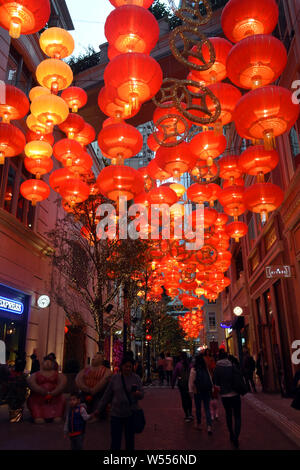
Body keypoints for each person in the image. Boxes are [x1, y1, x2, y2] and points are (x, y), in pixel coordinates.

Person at [96, 356, 144, 451]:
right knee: (115, 441)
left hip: (130, 413)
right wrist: (99, 409)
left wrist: (137, 394)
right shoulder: (115, 378)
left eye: (130, 367)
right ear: (122, 366)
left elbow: (142, 395)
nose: (128, 369)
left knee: (129, 441)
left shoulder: (136, 378)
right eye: (126, 366)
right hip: (116, 414)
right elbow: (107, 395)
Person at [213, 349, 243, 449]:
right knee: (237, 416)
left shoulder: (217, 368)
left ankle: (231, 434)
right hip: (235, 394)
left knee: (229, 415)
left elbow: (216, 384)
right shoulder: (232, 365)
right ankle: (236, 437)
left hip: (225, 396)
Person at [27, 355, 67, 424]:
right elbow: (31, 382)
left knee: (61, 400)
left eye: (50, 363)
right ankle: (38, 416)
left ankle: (57, 415)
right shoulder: (36, 374)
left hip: (55, 397)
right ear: (42, 364)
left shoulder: (58, 375)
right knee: (34, 402)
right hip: (39, 397)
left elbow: (62, 383)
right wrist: (39, 390)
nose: (48, 364)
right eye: (46, 362)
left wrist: (55, 391)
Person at [189, 354, 213, 434]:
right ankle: (209, 426)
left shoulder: (194, 369)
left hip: (197, 391)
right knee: (207, 408)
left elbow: (191, 382)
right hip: (206, 390)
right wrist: (211, 388)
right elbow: (209, 378)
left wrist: (190, 391)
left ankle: (199, 424)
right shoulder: (205, 368)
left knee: (198, 408)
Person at [172, 351, 193, 422]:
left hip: (182, 384)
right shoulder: (190, 364)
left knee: (184, 399)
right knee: (189, 398)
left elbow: (174, 374)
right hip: (189, 384)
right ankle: (190, 413)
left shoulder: (178, 364)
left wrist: (173, 383)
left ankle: (187, 415)